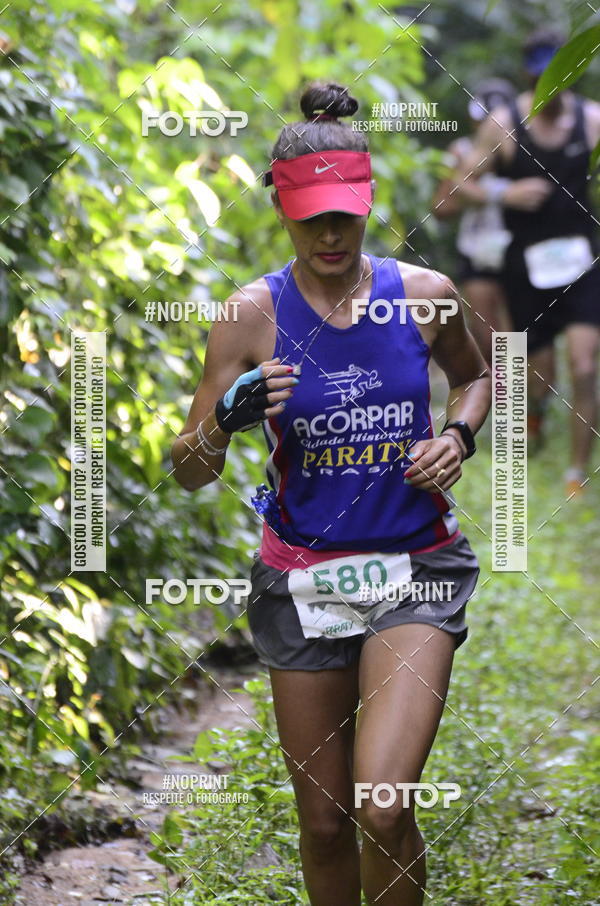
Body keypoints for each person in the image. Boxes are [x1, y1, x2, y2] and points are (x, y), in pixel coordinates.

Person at [172, 81, 491, 906]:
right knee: (322, 823)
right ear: (282, 208)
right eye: (311, 214)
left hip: (415, 568)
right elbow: (189, 470)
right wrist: (227, 421)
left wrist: (456, 436)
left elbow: (482, 377)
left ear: (369, 202)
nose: (329, 232)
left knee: (382, 807)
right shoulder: (250, 317)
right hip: (301, 578)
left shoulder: (424, 295)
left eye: (344, 212)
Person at [453, 28, 600, 494]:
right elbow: (457, 189)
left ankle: (576, 471)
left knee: (583, 365)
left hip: (583, 266)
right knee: (539, 374)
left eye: (559, 77)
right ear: (528, 74)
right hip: (526, 270)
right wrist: (504, 191)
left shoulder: (593, 122)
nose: (550, 89)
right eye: (541, 78)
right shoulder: (503, 124)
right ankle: (533, 415)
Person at [432, 79, 516, 365]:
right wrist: (489, 192)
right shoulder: (462, 151)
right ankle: (505, 405)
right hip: (477, 249)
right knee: (489, 337)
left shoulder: (524, 154)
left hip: (519, 247)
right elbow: (441, 206)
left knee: (516, 334)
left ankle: (518, 407)